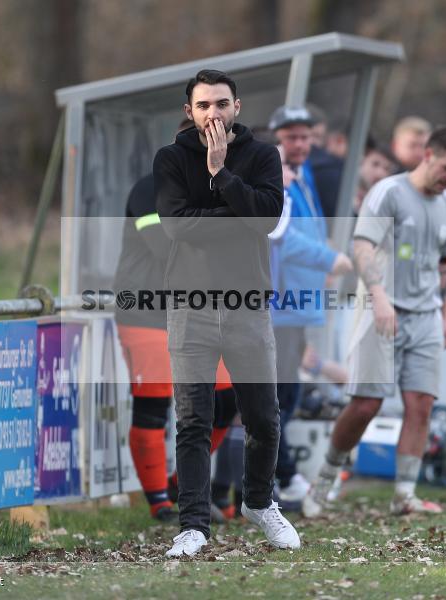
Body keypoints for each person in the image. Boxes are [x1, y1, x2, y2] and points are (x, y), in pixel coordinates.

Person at [154, 69, 300, 556]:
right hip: (190, 306)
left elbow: (267, 218)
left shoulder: (262, 156)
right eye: (203, 106)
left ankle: (259, 502)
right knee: (192, 419)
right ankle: (193, 524)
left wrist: (221, 176)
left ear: (237, 106)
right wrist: (238, 215)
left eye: (221, 104)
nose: (212, 113)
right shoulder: (171, 159)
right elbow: (177, 228)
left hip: (247, 305)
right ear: (188, 112)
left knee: (263, 417)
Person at [303, 125, 446, 518]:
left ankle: (404, 493)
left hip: (426, 315)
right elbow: (362, 245)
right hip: (380, 308)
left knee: (421, 403)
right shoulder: (390, 192)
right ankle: (325, 478)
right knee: (367, 404)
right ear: (428, 155)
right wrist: (380, 298)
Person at [112, 120, 238, 522]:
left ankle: (178, 480)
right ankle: (158, 502)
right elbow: (169, 250)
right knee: (153, 405)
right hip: (147, 311)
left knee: (227, 399)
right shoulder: (150, 188)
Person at [269, 105, 352, 505]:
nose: (300, 144)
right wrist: (327, 259)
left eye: (305, 137)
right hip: (280, 303)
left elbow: (309, 228)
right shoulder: (275, 179)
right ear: (276, 140)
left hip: (299, 304)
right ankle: (280, 478)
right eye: (290, 137)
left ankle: (280, 478)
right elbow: (281, 239)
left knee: (287, 393)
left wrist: (326, 253)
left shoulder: (304, 176)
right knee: (276, 395)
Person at [354, 137, 396, 215]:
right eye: (375, 164)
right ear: (361, 161)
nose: (380, 173)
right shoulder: (340, 190)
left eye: (387, 169)